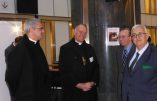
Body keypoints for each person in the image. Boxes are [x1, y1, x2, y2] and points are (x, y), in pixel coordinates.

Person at [5, 18, 51, 101]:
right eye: (41, 28)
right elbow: (10, 77)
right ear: (31, 30)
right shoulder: (19, 50)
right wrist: (20, 94)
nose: (43, 31)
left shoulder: (37, 45)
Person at [59, 24, 99, 101]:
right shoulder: (65, 49)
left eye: (85, 33)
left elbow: (96, 67)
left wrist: (92, 82)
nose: (83, 34)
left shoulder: (90, 48)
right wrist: (79, 85)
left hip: (90, 92)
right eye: (80, 32)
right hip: (74, 92)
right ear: (74, 32)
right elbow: (64, 71)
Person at [122, 24, 157, 101]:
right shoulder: (130, 53)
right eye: (134, 35)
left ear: (147, 36)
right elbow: (126, 79)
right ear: (131, 38)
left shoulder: (154, 54)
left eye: (140, 34)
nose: (137, 37)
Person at [116, 28, 135, 101]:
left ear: (130, 37)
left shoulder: (137, 49)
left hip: (134, 89)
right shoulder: (118, 51)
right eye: (119, 37)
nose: (120, 39)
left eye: (123, 37)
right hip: (121, 88)